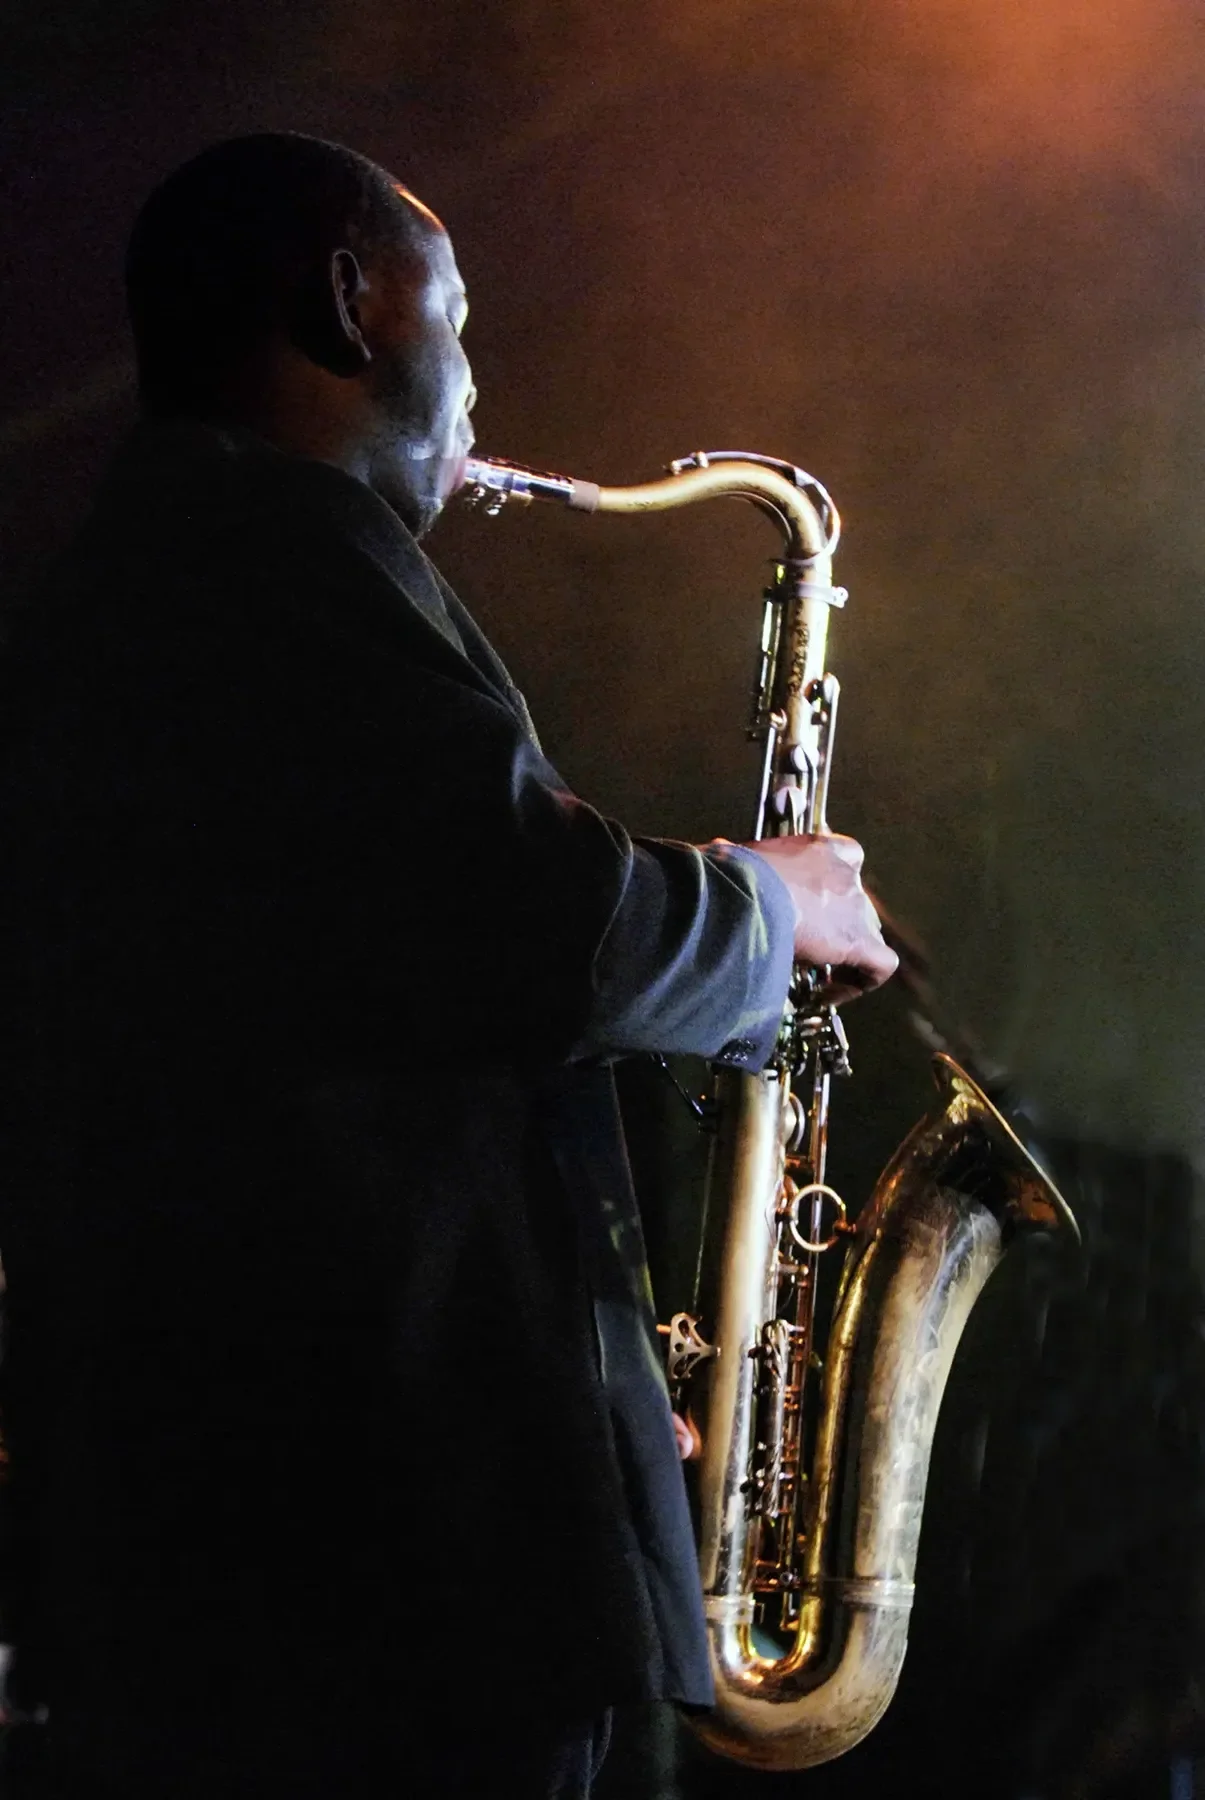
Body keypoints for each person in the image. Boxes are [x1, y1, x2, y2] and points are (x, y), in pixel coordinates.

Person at [0, 134, 895, 1799]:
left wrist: (585, 1391)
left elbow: (359, 1059)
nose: (477, 384)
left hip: (315, 1534)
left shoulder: (170, 580)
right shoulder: (255, 568)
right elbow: (543, 928)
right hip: (373, 1568)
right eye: (458, 317)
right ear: (350, 298)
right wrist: (771, 905)